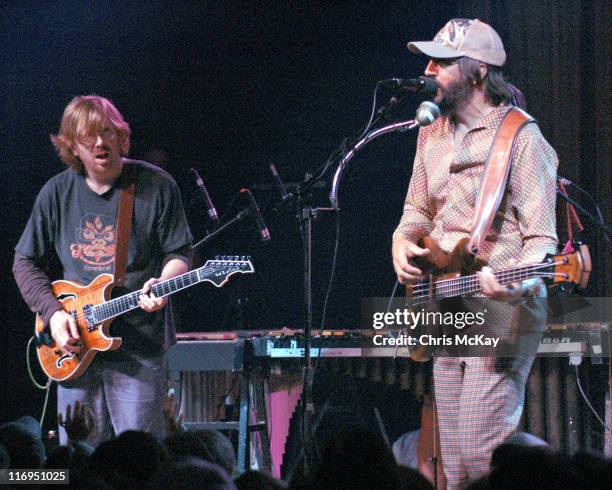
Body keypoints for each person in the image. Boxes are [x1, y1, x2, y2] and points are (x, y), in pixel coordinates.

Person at [391, 19, 558, 488]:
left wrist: (511, 280)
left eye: (442, 61)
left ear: (478, 72)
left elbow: (543, 242)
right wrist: (401, 244)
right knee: (455, 463)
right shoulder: (431, 133)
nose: (428, 69)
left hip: (502, 307)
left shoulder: (521, 139)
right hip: (444, 300)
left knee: (482, 456)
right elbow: (415, 210)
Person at [13, 95, 193, 446]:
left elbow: (180, 252)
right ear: (72, 147)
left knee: (138, 459)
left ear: (121, 137)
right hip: (75, 349)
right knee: (80, 460)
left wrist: (165, 283)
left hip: (138, 348)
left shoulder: (156, 186)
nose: (99, 142)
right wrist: (52, 314)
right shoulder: (56, 192)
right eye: (88, 136)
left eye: (107, 132)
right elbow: (24, 261)